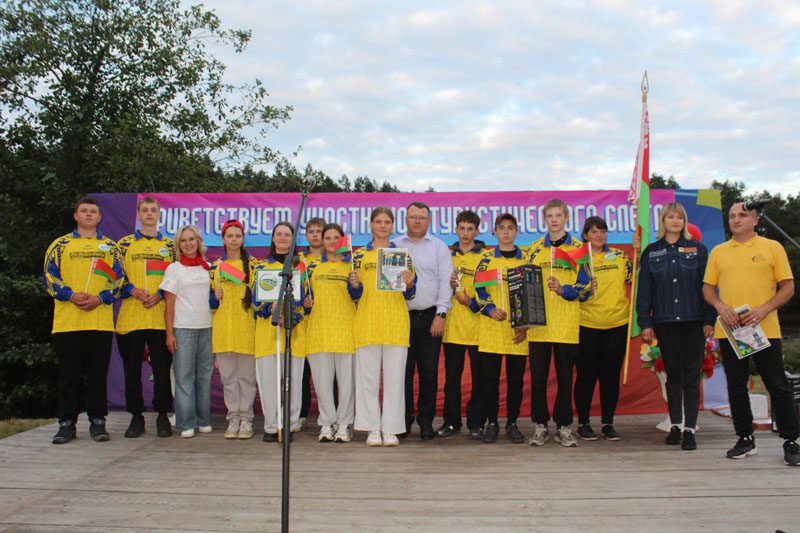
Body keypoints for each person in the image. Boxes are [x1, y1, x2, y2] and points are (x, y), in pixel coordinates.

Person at [702, 202, 799, 466]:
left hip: (764, 328)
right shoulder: (719, 251)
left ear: (756, 220)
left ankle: (791, 441)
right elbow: (707, 289)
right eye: (732, 216)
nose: (736, 220)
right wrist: (720, 305)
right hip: (731, 330)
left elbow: (788, 287)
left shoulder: (772, 247)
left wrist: (765, 308)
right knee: (736, 386)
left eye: (742, 215)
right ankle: (745, 438)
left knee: (777, 385)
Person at [45, 197, 124, 444]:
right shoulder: (60, 245)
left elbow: (119, 279)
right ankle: (66, 424)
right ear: (76, 215)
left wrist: (100, 298)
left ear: (100, 217)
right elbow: (49, 277)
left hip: (99, 322)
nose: (89, 214)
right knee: (69, 376)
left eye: (93, 211)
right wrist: (71, 295)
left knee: (98, 375)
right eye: (84, 211)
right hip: (68, 322)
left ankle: (98, 422)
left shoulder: (110, 247)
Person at [637, 202, 715, 450]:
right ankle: (675, 425)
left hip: (693, 321)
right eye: (670, 217)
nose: (675, 221)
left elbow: (708, 287)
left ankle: (690, 429)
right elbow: (644, 291)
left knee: (691, 375)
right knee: (673, 375)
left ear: (684, 221)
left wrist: (709, 320)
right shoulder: (651, 252)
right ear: (663, 221)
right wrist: (645, 322)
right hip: (665, 322)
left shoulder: (698, 250)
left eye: (679, 217)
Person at [523, 199, 591, 448]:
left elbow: (585, 287)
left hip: (566, 325)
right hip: (538, 325)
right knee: (538, 379)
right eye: (550, 215)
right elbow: (523, 285)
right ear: (544, 219)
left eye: (558, 215)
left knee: (565, 379)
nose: (554, 220)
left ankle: (564, 426)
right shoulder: (533, 249)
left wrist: (564, 290)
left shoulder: (580, 249)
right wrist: (523, 320)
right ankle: (540, 425)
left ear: (566, 218)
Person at [351, 207, 416, 446]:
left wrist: (410, 283)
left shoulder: (402, 255)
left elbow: (411, 293)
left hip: (395, 323)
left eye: (387, 222)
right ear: (371, 224)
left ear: (392, 225)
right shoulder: (359, 255)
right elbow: (354, 294)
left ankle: (391, 429)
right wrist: (354, 285)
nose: (382, 226)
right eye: (378, 221)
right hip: (367, 322)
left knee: (395, 380)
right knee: (367, 380)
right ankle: (372, 428)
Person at [115, 196, 175, 438]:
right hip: (131, 318)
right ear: (138, 214)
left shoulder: (170, 245)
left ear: (159, 215)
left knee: (162, 371)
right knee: (131, 371)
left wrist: (160, 294)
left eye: (153, 210)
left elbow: (177, 278)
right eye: (145, 210)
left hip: (160, 319)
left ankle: (162, 415)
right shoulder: (124, 244)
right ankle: (136, 417)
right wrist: (131, 290)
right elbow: (114, 276)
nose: (149, 213)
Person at [393, 201, 452, 440]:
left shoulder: (439, 247)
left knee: (429, 374)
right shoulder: (394, 246)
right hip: (401, 318)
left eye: (422, 217)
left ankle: (426, 422)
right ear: (405, 219)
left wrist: (441, 314)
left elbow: (446, 281)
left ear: (429, 221)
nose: (417, 221)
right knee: (403, 374)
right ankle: (403, 421)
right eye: (413, 217)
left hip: (430, 317)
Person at [573, 216, 633, 441]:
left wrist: (640, 252)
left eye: (602, 231)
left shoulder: (620, 256)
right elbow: (571, 290)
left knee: (610, 376)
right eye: (594, 231)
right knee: (586, 376)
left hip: (617, 323)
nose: (599, 235)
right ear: (585, 235)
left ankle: (608, 423)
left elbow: (636, 279)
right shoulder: (578, 259)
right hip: (587, 324)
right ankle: (584, 422)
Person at [474, 214, 528, 443]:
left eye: (510, 228)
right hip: (492, 327)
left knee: (516, 381)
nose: (506, 232)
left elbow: (533, 292)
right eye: (501, 228)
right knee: (489, 381)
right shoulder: (486, 259)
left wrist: (525, 324)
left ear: (516, 231)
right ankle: (492, 423)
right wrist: (490, 309)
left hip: (518, 329)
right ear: (494, 232)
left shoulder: (526, 259)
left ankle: (512, 423)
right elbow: (478, 289)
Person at [253, 222, 308, 442]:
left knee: (293, 383)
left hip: (294, 333)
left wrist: (291, 314)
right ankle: (271, 426)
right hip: (267, 333)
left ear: (293, 239)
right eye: (279, 234)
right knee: (269, 383)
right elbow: (255, 302)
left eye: (288, 234)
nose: (283, 238)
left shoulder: (300, 268)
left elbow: (305, 301)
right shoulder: (261, 267)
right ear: (273, 238)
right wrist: (271, 309)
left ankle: (290, 425)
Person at [305, 223, 358, 443]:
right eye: (328, 237)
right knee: (322, 383)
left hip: (346, 331)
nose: (332, 241)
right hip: (319, 331)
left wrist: (356, 286)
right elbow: (304, 298)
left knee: (347, 384)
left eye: (336, 238)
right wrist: (306, 303)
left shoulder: (352, 266)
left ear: (342, 241)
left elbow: (359, 295)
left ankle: (345, 424)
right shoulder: (311, 267)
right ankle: (327, 424)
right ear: (322, 240)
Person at [160, 225, 214, 438]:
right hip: (183, 329)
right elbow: (169, 305)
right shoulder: (174, 269)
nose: (188, 243)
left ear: (198, 242)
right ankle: (185, 422)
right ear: (178, 245)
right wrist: (169, 333)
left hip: (207, 328)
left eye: (192, 239)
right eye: (183, 240)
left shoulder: (208, 267)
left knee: (205, 376)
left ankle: (203, 419)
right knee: (184, 377)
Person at [437, 210, 487, 439]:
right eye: (462, 228)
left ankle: (476, 423)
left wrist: (471, 302)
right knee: (452, 379)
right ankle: (451, 422)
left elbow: (490, 291)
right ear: (456, 229)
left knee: (479, 379)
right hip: (453, 327)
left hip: (479, 326)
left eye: (470, 229)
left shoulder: (486, 257)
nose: (466, 233)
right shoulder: (446, 255)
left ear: (477, 231)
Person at [209, 220, 258, 440]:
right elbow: (210, 303)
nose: (234, 240)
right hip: (223, 329)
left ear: (243, 238)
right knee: (228, 378)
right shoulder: (215, 267)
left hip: (247, 328)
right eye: (230, 236)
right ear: (223, 239)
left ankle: (246, 418)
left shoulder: (254, 265)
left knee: (247, 378)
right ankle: (233, 418)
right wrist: (214, 297)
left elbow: (260, 297)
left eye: (238, 236)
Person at [299, 216, 326, 430]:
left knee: (328, 373)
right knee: (302, 372)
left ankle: (331, 416)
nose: (315, 235)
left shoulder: (334, 259)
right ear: (306, 235)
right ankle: (301, 414)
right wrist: (303, 301)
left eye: (319, 231)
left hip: (326, 323)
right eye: (311, 231)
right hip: (303, 323)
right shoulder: (298, 260)